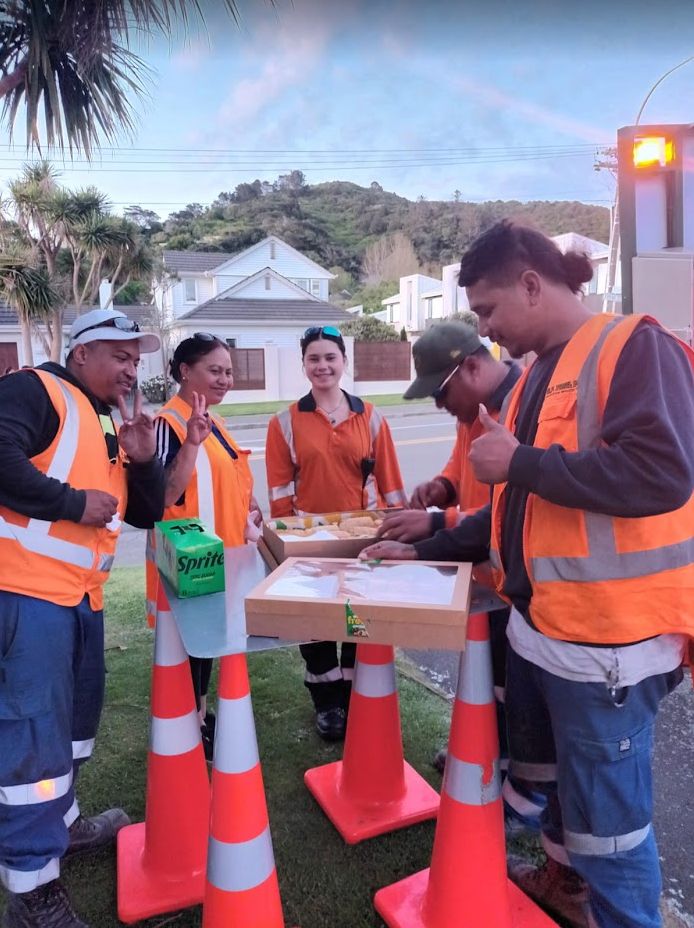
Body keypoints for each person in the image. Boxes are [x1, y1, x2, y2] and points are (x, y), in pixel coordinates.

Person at [361, 220, 694, 928]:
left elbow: (662, 473)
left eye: (488, 310)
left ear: (533, 285)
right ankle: (565, 887)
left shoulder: (634, 346)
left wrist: (520, 462)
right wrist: (427, 545)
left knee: (613, 835)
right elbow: (514, 509)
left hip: (612, 647)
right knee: (571, 802)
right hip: (552, 636)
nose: (484, 329)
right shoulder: (537, 375)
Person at [0, 307, 165, 928]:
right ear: (80, 354)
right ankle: (31, 890)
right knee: (32, 742)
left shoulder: (105, 418)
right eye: (120, 356)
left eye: (136, 360)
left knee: (70, 732)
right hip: (26, 596)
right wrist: (71, 503)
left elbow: (143, 514)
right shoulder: (36, 390)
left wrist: (144, 460)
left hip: (80, 599)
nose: (131, 370)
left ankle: (62, 826)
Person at [375, 320, 540, 830]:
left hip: (517, 583)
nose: (438, 405)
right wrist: (442, 487)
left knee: (517, 693)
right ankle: (482, 754)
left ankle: (514, 792)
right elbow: (460, 465)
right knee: (485, 677)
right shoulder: (474, 409)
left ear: (470, 367)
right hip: (484, 574)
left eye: (440, 394)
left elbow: (501, 513)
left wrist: (430, 530)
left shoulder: (517, 408)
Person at [265, 325, 407, 741]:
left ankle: (353, 694)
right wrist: (288, 541)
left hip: (364, 539)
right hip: (310, 541)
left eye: (330, 357)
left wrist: (398, 530)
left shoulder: (370, 416)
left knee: (357, 617)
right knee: (316, 621)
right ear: (304, 365)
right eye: (314, 358)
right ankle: (327, 703)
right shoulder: (285, 421)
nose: (322, 365)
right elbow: (279, 491)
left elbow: (392, 484)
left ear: (344, 361)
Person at [151, 333, 260, 759]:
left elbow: (229, 476)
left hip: (223, 556)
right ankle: (191, 723)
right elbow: (165, 493)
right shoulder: (170, 424)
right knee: (192, 648)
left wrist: (249, 509)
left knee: (209, 643)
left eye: (228, 372)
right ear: (185, 371)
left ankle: (197, 714)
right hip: (194, 561)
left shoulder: (214, 420)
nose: (225, 379)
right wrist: (192, 442)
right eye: (214, 370)